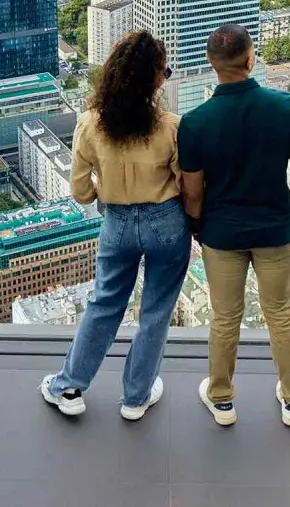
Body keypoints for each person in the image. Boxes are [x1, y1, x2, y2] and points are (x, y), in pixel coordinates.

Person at [40, 31, 190, 421]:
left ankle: (69, 387)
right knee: (156, 313)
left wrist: (101, 197)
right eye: (165, 72)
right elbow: (187, 183)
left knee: (104, 305)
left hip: (118, 222)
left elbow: (78, 188)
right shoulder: (172, 127)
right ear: (154, 81)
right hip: (167, 223)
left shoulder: (90, 124)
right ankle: (135, 398)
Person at [180, 24, 290, 428]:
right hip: (275, 229)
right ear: (250, 58)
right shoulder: (286, 107)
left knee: (225, 318)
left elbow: (192, 192)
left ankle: (222, 400)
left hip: (222, 235)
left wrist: (199, 227)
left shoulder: (195, 122)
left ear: (211, 64)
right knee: (280, 314)